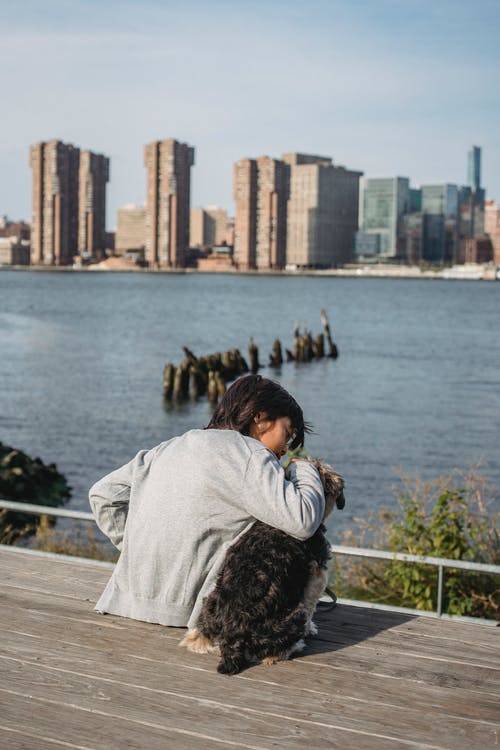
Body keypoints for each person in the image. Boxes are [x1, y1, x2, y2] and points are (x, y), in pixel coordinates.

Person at [89, 374, 325, 629]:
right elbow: (303, 520)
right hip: (191, 617)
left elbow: (104, 494)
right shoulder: (251, 453)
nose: (285, 449)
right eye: (286, 433)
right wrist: (305, 469)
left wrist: (142, 551)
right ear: (260, 418)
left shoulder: (171, 446)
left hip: (124, 603)